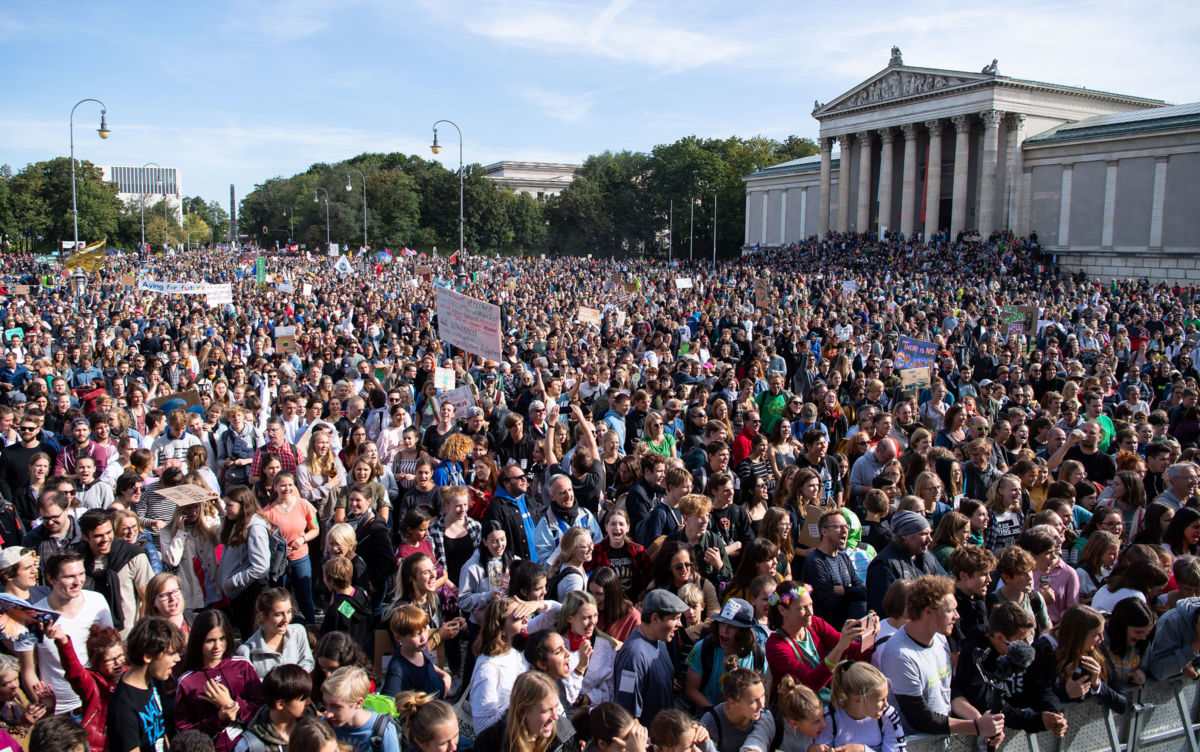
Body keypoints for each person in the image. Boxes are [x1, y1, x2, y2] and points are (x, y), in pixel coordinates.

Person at [878, 575, 1004, 740]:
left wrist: (979, 719)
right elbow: (920, 718)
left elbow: (950, 689)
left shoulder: (939, 638)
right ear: (929, 612)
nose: (957, 616)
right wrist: (976, 727)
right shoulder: (900, 655)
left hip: (940, 740)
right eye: (950, 610)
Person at [17, 551, 113, 715]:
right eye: (69, 576)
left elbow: (111, 652)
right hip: (58, 711)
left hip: (96, 705)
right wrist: (46, 711)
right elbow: (28, 670)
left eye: (81, 574)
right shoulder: (32, 617)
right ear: (51, 578)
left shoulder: (97, 602)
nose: (78, 582)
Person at [951, 603, 1065, 737]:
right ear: (1000, 638)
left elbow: (1041, 685)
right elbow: (988, 704)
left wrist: (1054, 715)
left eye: (1028, 638)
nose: (1027, 645)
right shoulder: (976, 655)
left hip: (1019, 733)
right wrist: (1035, 721)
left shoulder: (1023, 654)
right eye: (1021, 640)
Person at [176, 609, 266, 752]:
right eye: (210, 641)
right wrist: (218, 720)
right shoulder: (187, 681)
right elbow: (184, 732)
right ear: (198, 641)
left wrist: (231, 704)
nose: (217, 646)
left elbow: (262, 712)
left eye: (222, 639)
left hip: (248, 745)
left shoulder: (242, 665)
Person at [42, 621, 125, 752]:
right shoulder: (92, 684)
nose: (118, 662)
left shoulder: (130, 675)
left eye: (120, 656)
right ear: (95, 661)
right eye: (110, 660)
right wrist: (64, 642)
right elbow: (74, 671)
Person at [106, 617, 184, 752]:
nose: (177, 659)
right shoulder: (124, 708)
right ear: (148, 656)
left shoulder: (151, 681)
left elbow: (160, 730)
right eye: (171, 653)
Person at [74, 508, 153, 637]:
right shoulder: (77, 561)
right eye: (98, 536)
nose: (105, 539)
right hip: (89, 637)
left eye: (109, 532)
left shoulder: (132, 555)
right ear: (85, 537)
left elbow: (147, 597)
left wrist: (140, 634)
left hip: (127, 637)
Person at [613, 588, 686, 721]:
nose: (679, 624)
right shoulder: (633, 657)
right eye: (675, 618)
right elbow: (626, 712)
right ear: (655, 618)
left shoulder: (660, 641)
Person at [685, 598, 765, 711]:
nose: (724, 630)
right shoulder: (703, 648)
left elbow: (762, 692)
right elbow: (691, 690)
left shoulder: (757, 654)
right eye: (722, 624)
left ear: (744, 632)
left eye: (732, 626)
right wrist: (717, 715)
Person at [469, 597, 534, 734]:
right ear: (501, 628)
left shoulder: (517, 650)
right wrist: (522, 703)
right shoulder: (488, 669)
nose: (526, 621)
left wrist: (538, 604)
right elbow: (482, 728)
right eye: (517, 618)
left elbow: (556, 612)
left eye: (526, 616)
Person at [261, 472, 318, 625]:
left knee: (305, 597)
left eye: (290, 485)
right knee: (280, 599)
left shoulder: (303, 504)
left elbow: (315, 529)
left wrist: (303, 538)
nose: (287, 489)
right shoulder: (268, 512)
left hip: (300, 557)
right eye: (283, 485)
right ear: (275, 487)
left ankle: (311, 628)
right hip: (280, 562)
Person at [864, 510, 946, 614]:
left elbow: (945, 585)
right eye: (924, 534)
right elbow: (885, 611)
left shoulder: (927, 557)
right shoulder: (884, 566)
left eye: (930, 533)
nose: (930, 539)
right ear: (904, 536)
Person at [813, 660, 905, 752]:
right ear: (857, 700)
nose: (886, 704)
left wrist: (863, 750)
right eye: (880, 700)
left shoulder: (889, 715)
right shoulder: (829, 718)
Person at [218, 485, 272, 638]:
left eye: (230, 505)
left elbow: (261, 566)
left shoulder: (255, 527)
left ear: (243, 505)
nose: (226, 508)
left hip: (251, 592)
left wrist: (233, 581)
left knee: (253, 635)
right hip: (239, 594)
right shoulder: (237, 522)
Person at [473, 671, 574, 752]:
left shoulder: (564, 735)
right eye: (547, 710)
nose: (555, 717)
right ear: (522, 711)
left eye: (556, 707)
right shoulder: (491, 742)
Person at [803, 509, 867, 626]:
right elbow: (830, 602)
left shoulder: (844, 557)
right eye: (838, 527)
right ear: (824, 531)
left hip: (847, 628)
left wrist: (842, 590)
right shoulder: (815, 562)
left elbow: (863, 592)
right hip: (828, 632)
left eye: (846, 526)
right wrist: (852, 592)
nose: (845, 531)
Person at [236, 587, 315, 679]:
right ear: (263, 617)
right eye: (278, 614)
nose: (286, 619)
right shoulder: (247, 652)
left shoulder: (298, 632)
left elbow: (308, 663)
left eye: (289, 612)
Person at [232, 664, 313, 752]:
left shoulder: (312, 727)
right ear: (281, 704)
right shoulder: (251, 746)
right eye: (303, 699)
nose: (308, 702)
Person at [321, 665, 401, 752]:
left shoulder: (382, 731)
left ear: (359, 703)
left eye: (337, 707)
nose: (328, 714)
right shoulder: (324, 727)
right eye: (325, 704)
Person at [382, 604, 451, 697]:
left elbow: (429, 666)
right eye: (417, 634)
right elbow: (389, 704)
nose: (423, 637)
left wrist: (445, 676)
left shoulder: (420, 648)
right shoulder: (398, 670)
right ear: (399, 638)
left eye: (425, 630)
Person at [697, 668, 771, 752]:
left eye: (763, 696)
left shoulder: (764, 716)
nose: (762, 705)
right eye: (754, 701)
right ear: (732, 701)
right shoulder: (710, 724)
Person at [320, 557, 373, 654]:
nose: (323, 580)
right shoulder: (361, 593)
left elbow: (327, 636)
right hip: (362, 650)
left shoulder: (336, 609)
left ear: (331, 581)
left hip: (345, 655)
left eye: (324, 577)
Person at [392, 690, 460, 752]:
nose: (454, 747)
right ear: (420, 743)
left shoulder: (465, 747)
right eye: (443, 743)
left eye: (456, 735)